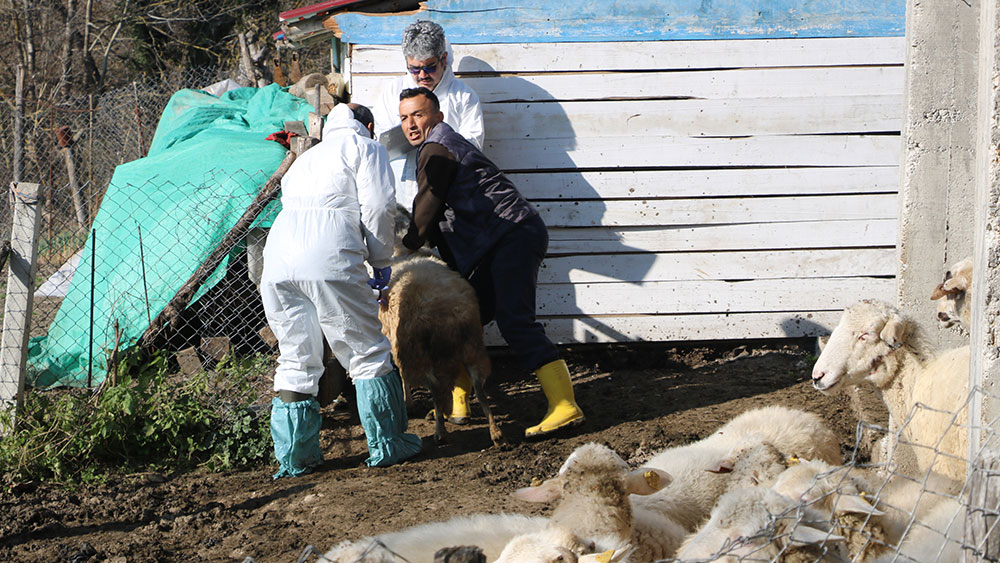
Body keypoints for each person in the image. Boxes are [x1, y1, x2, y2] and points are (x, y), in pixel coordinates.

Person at [397, 87, 585, 438]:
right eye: (404, 117)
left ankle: (565, 406)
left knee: (516, 322)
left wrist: (405, 246)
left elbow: (429, 201)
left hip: (510, 237)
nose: (411, 124)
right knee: (462, 319)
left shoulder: (437, 147)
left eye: (418, 114)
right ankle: (459, 401)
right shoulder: (440, 146)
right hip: (501, 240)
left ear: (437, 116)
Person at [260, 103, 422, 477]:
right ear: (367, 125)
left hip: (280, 257)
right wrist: (381, 262)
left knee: (297, 357)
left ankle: (296, 459)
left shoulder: (304, 160)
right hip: (329, 253)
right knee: (367, 350)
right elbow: (380, 208)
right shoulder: (366, 147)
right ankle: (388, 444)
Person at [372, 20, 484, 211]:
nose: (422, 75)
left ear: (444, 58)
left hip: (449, 194)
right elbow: (380, 138)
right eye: (414, 69)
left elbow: (473, 144)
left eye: (430, 67)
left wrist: (437, 144)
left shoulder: (463, 96)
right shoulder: (393, 92)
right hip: (401, 193)